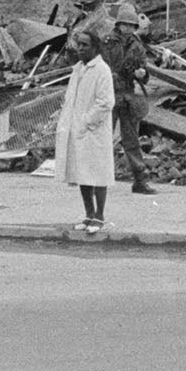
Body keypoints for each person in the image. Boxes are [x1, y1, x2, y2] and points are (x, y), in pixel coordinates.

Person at [55, 26, 117, 233]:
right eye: (78, 45)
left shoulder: (102, 70)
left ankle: (99, 216)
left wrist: (86, 122)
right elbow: (71, 98)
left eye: (85, 45)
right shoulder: (79, 69)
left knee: (98, 173)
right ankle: (88, 214)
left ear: (95, 48)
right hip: (78, 129)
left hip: (94, 130)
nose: (80, 49)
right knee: (83, 173)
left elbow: (105, 102)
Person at [99, 0, 157, 194]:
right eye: (125, 25)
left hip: (127, 95)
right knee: (103, 137)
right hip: (108, 94)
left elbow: (143, 69)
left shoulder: (137, 46)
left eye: (132, 26)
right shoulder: (106, 42)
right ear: (119, 24)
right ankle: (98, 179)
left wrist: (142, 74)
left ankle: (140, 180)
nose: (128, 29)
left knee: (131, 140)